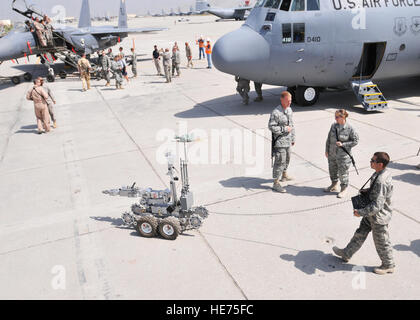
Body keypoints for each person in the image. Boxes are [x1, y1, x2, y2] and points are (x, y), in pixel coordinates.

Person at [333, 152, 395, 275]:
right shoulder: (381, 173)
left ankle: (388, 265)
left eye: (373, 160)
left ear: (380, 164)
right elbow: (378, 194)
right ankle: (347, 253)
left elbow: (377, 205)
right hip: (371, 215)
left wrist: (359, 212)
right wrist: (368, 191)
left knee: (382, 241)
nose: (370, 162)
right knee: (360, 234)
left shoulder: (381, 180)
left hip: (378, 217)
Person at [324, 109, 359, 198]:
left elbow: (355, 141)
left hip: (343, 156)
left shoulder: (350, 128)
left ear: (343, 117)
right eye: (335, 116)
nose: (335, 118)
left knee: (343, 173)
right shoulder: (333, 126)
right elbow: (328, 139)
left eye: (337, 117)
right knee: (332, 170)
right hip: (332, 154)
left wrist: (343, 144)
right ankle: (334, 185)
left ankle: (343, 189)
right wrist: (327, 150)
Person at [268, 91, 296, 193]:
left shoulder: (289, 110)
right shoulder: (276, 112)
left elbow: (292, 125)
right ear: (282, 99)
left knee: (288, 158)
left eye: (291, 101)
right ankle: (276, 183)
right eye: (288, 101)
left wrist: (293, 138)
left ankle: (284, 175)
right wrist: (284, 129)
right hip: (280, 141)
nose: (289, 103)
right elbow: (271, 126)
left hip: (288, 140)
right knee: (280, 161)